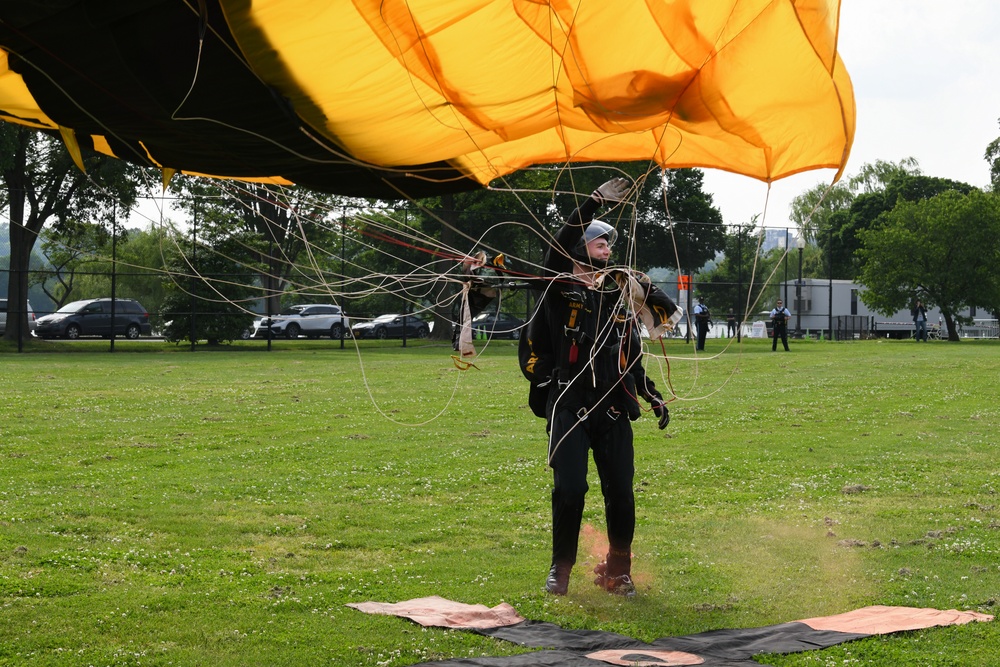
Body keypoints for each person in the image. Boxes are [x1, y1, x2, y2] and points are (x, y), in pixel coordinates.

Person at [520, 177, 671, 599]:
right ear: (579, 250)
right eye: (599, 244)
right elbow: (559, 244)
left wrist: (650, 393)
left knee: (620, 493)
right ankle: (561, 567)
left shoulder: (617, 296)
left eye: (609, 246)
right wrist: (593, 202)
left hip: (613, 408)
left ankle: (618, 571)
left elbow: (631, 353)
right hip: (569, 406)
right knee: (570, 490)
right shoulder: (556, 287)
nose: (608, 252)